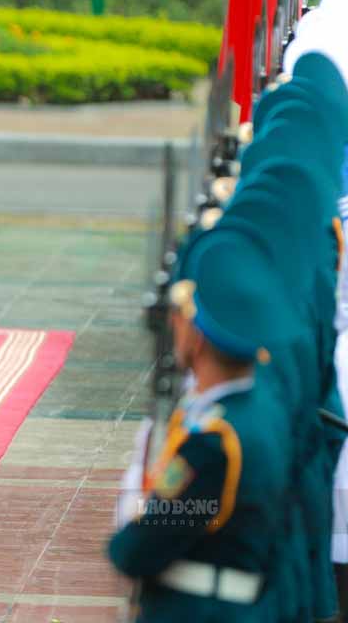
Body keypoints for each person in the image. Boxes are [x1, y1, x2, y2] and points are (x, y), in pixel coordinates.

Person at [108, 226, 293, 620]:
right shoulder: (267, 409)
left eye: (179, 317)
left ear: (197, 336)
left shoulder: (212, 444)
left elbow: (136, 551)